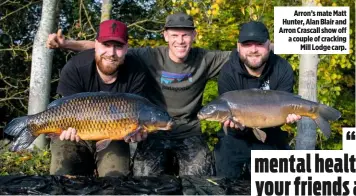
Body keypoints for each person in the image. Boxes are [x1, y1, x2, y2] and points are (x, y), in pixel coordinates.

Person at [46, 13, 300, 177]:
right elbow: (109, 49)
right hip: (155, 131)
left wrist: (289, 44)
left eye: (186, 35)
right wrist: (68, 44)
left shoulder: (207, 59)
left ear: (193, 36)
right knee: (144, 179)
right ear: (166, 36)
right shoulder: (149, 56)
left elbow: (252, 51)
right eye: (175, 35)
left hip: (189, 132)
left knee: (201, 180)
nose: (180, 41)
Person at [50, 19, 148, 177]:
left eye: (118, 46)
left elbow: (137, 117)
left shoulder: (137, 72)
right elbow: (64, 109)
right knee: (64, 174)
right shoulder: (75, 67)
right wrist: (65, 130)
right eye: (106, 45)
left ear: (127, 48)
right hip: (75, 132)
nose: (111, 53)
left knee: (115, 180)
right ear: (95, 44)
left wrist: (137, 133)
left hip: (114, 137)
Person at [214, 21, 301, 179]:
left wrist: (289, 116)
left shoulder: (283, 68)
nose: (253, 50)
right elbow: (226, 111)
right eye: (247, 44)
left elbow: (283, 109)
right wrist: (233, 122)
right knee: (225, 178)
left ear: (269, 45)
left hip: (271, 135)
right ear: (238, 46)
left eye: (259, 44)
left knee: (284, 181)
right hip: (236, 136)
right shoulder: (228, 72)